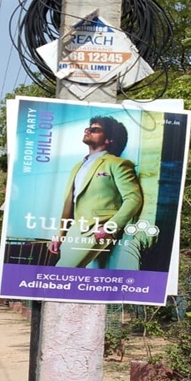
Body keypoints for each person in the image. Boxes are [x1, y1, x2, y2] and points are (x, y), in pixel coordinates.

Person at [48, 115, 143, 269]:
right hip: (75, 231)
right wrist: (60, 236)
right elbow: (70, 206)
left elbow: (133, 198)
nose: (88, 131)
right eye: (88, 128)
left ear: (109, 140)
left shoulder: (117, 164)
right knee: (68, 278)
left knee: (62, 273)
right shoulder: (77, 166)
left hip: (97, 229)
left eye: (95, 129)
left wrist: (110, 227)